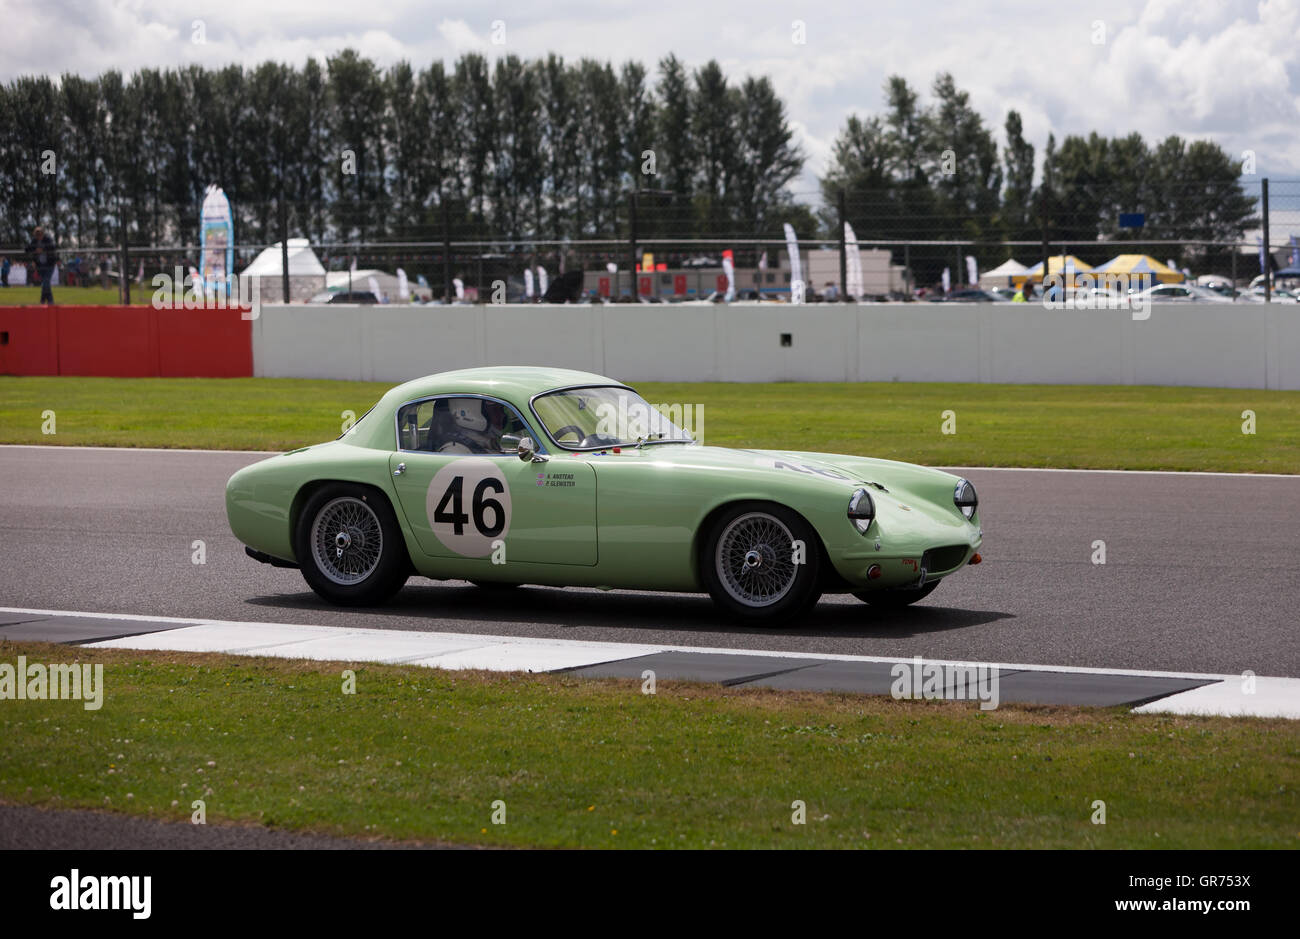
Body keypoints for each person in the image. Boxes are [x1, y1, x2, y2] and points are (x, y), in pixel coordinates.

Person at [26, 226, 58, 305]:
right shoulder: (34, 241)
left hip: (49, 265)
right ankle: (44, 301)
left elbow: (53, 247)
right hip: (40, 265)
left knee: (46, 282)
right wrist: (35, 250)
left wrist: (43, 249)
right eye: (36, 235)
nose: (38, 236)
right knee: (45, 283)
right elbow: (27, 249)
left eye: (40, 234)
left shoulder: (48, 239)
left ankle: (49, 301)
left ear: (43, 234)